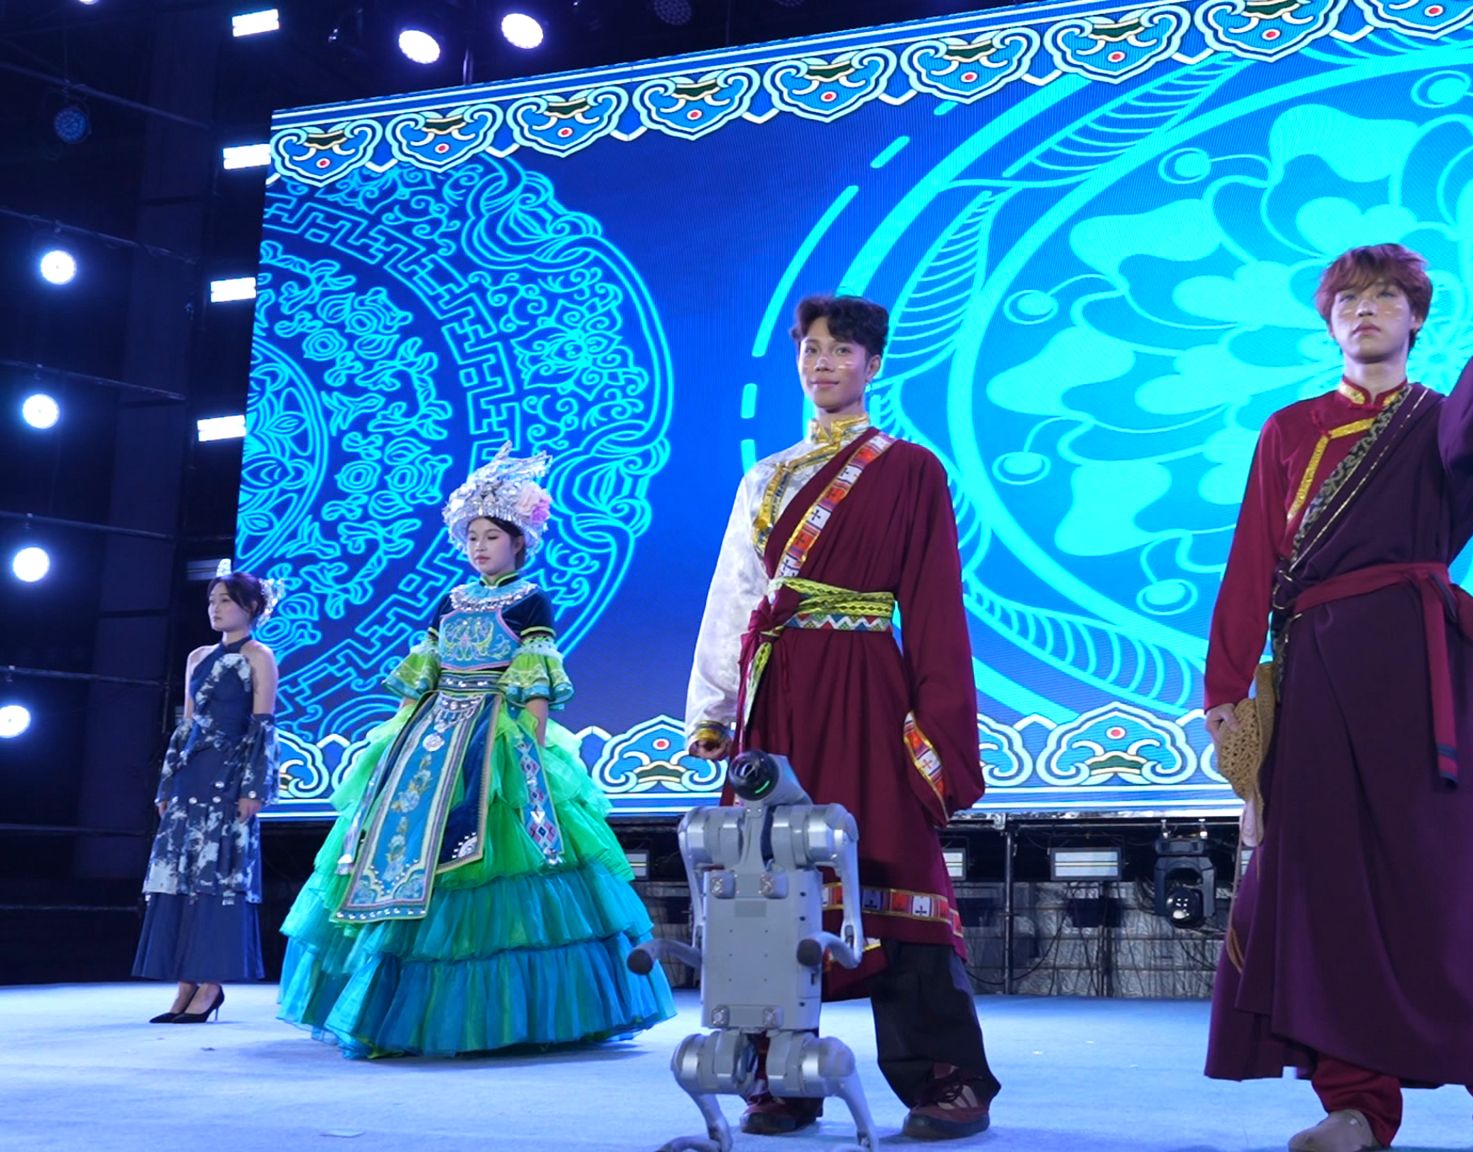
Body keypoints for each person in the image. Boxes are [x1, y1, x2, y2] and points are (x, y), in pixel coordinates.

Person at [1203, 180, 1473, 1152]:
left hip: (1424, 671)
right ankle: (1356, 1104)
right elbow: (1251, 562)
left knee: (1453, 883)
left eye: (1384, 298)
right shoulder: (1286, 429)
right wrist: (1227, 689)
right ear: (1329, 323)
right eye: (1348, 300)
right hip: (1316, 673)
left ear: (1415, 319)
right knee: (1328, 891)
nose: (1364, 312)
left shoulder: (1444, 419)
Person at [686, 294, 998, 1140]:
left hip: (866, 688)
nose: (823, 363)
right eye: (811, 350)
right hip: (777, 690)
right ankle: (779, 1080)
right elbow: (736, 595)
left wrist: (936, 724)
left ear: (874, 365)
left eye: (842, 351)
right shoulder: (766, 476)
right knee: (766, 877)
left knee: (890, 867)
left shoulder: (911, 469)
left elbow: (933, 603)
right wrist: (716, 710)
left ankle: (946, 1082)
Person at [276, 445, 675, 1057]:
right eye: (472, 537)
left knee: (503, 858)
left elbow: (535, 680)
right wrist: (400, 736)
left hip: (494, 733)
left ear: (519, 542)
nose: (480, 547)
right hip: (434, 734)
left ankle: (510, 1011)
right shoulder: (451, 600)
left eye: (492, 536)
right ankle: (396, 1002)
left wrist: (531, 749)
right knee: (404, 847)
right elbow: (425, 674)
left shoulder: (530, 599)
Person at [133, 566, 282, 1023]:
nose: (215, 609)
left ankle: (210, 984)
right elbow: (187, 725)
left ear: (251, 607)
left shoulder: (259, 655)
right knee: (179, 876)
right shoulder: (198, 656)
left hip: (229, 775)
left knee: (218, 875)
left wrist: (254, 787)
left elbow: (262, 725)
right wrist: (167, 783)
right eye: (212, 601)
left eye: (226, 601)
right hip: (190, 776)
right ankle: (184, 982)